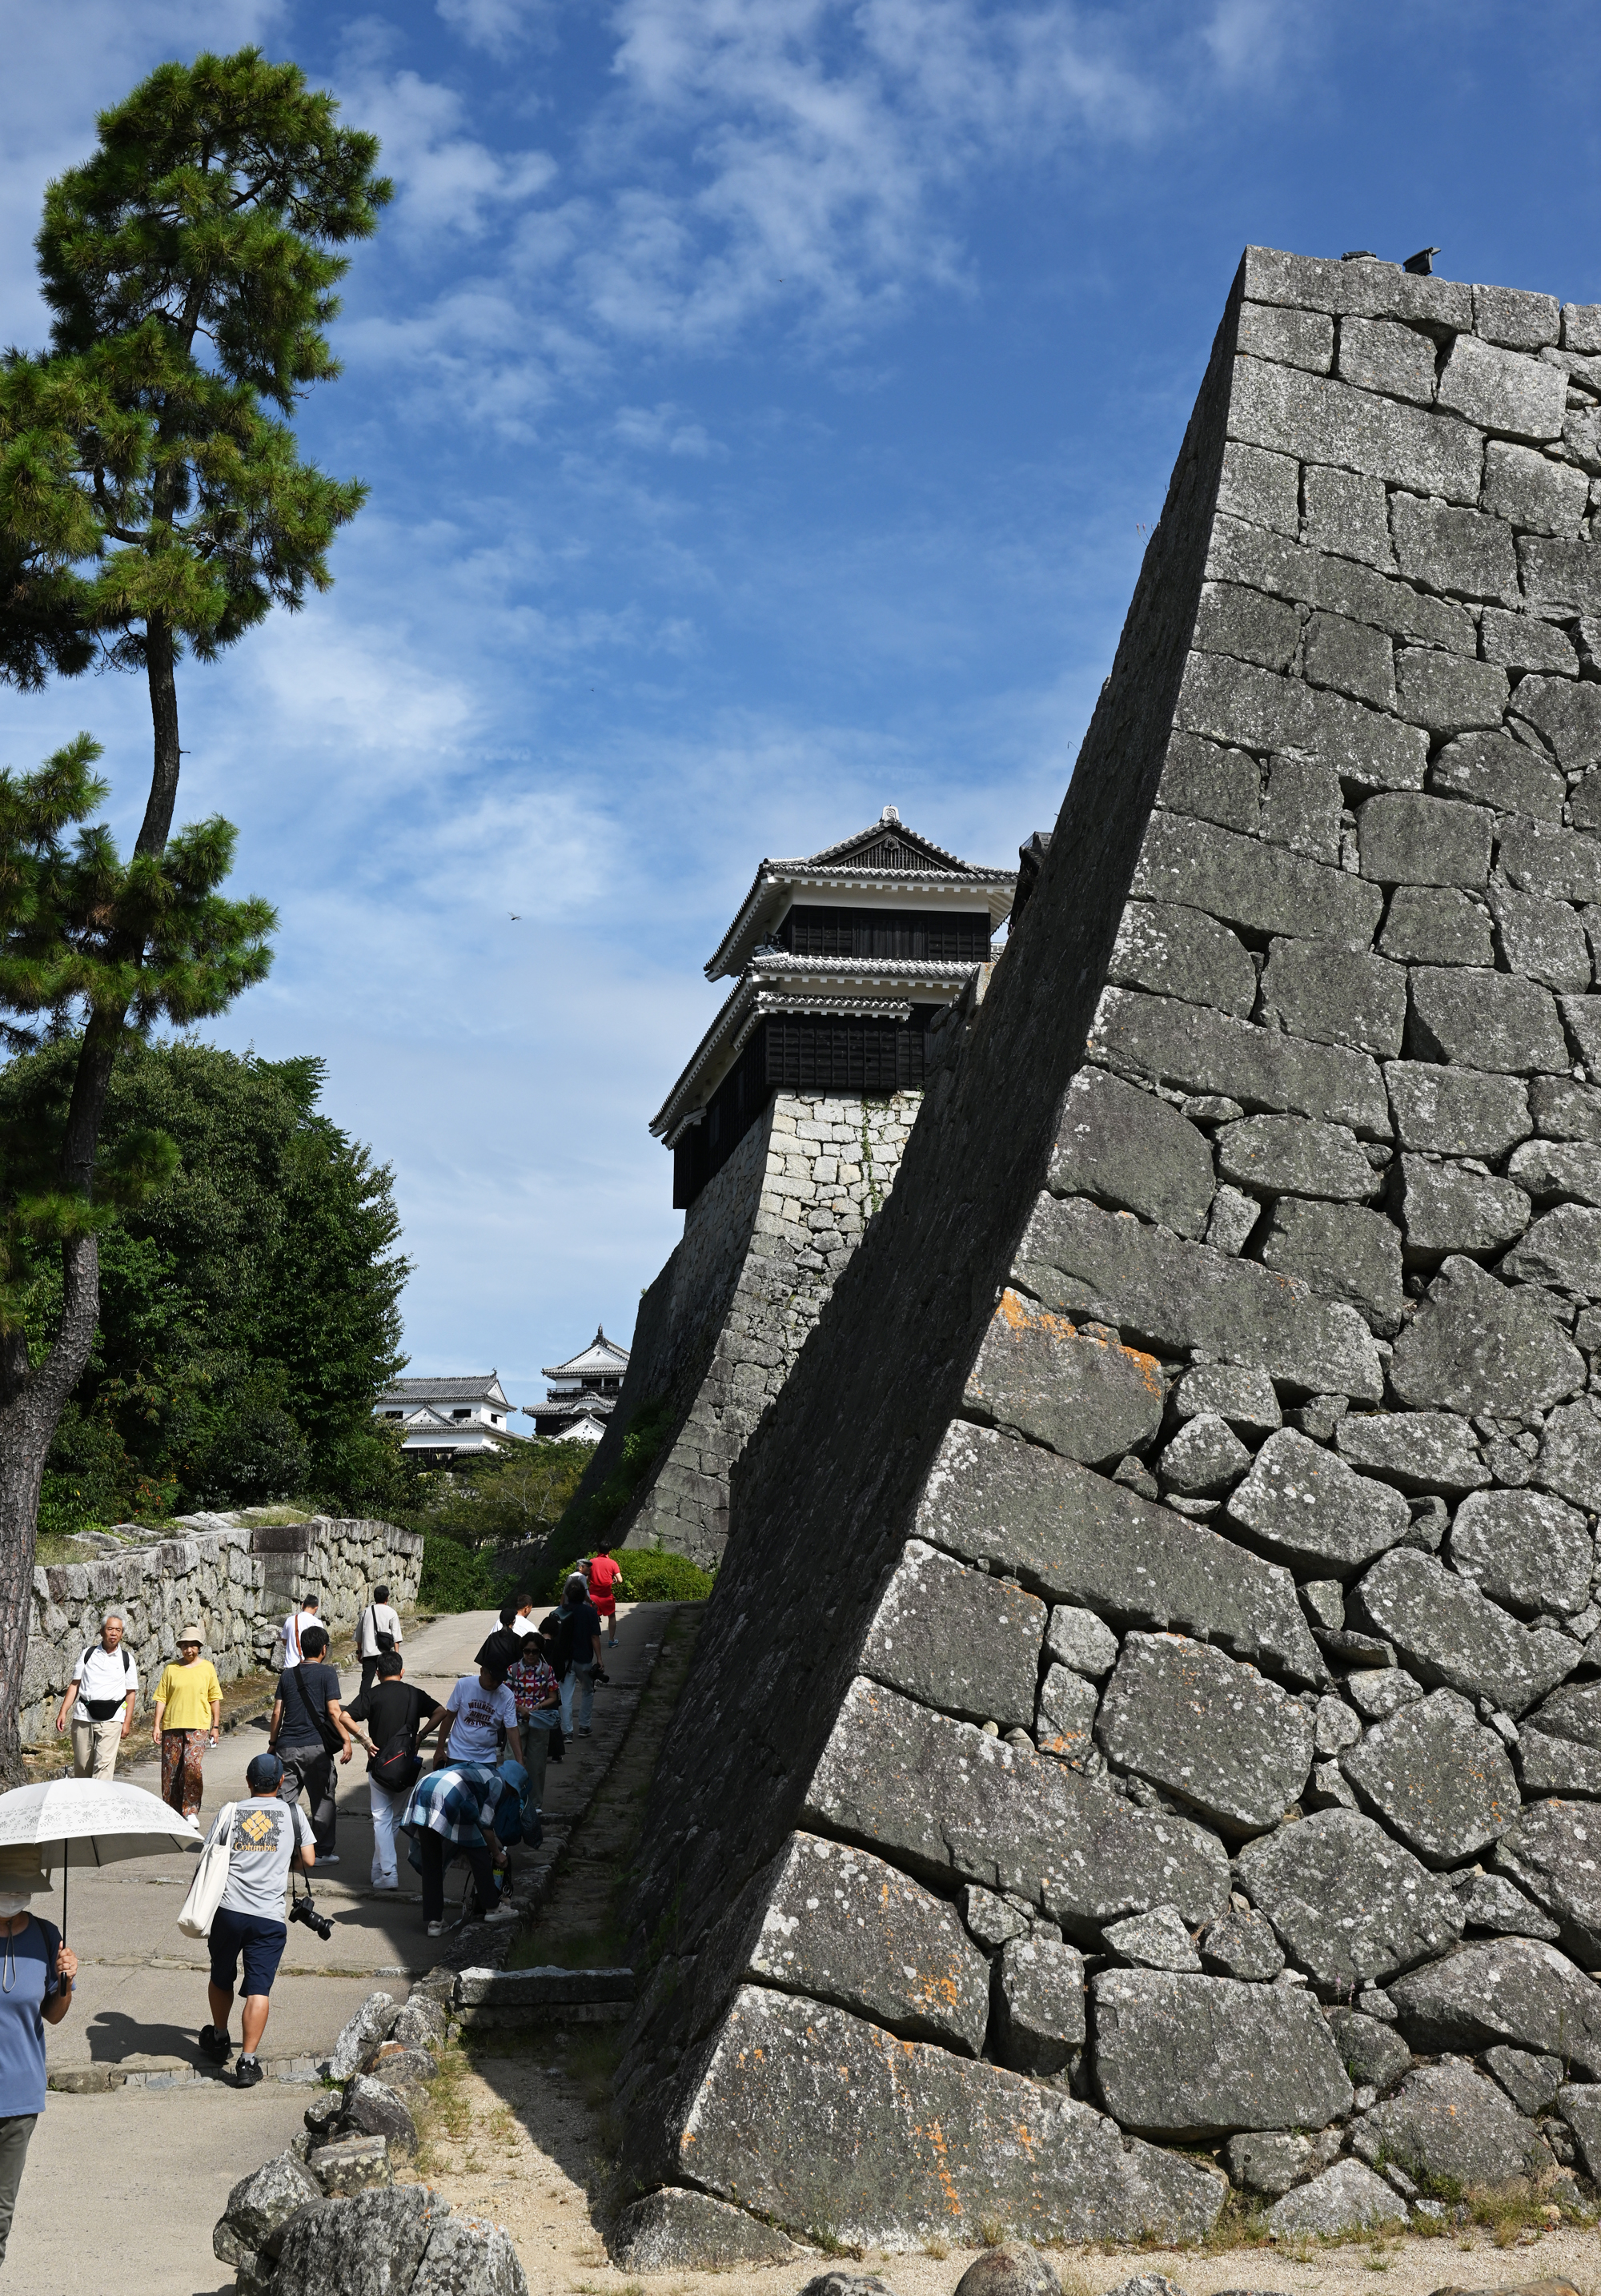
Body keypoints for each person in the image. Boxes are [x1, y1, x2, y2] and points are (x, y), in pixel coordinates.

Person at [198, 1751, 316, 2086]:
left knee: (222, 1976)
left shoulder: (230, 1812)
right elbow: (308, 1858)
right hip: (268, 1917)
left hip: (229, 1911)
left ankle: (220, 2037)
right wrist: (279, 1862)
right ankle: (247, 2063)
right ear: (281, 1782)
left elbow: (210, 1855)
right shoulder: (293, 1813)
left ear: (248, 1782)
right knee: (259, 1989)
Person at [0, 1845, 78, 2266]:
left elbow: (53, 2015)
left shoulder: (47, 1936)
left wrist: (65, 1980)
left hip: (20, 2099)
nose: (12, 1894)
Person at [400, 1760, 522, 1938]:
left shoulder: (484, 1770)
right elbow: (486, 1826)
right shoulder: (498, 1783)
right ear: (511, 1786)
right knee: (478, 1848)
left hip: (424, 1787)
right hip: (450, 1793)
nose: (511, 1795)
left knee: (432, 1860)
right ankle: (492, 1908)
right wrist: (496, 1854)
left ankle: (435, 1922)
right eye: (514, 1792)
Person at [346, 1652, 434, 1889]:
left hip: (380, 1765)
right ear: (402, 1672)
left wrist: (364, 1739)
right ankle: (378, 1870)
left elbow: (345, 1716)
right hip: (406, 1767)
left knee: (381, 1820)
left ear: (378, 1673)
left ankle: (388, 1873)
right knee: (392, 1820)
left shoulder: (372, 1695)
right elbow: (442, 1713)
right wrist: (421, 1736)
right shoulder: (414, 1693)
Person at [267, 1624, 355, 1862]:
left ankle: (276, 1850)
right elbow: (334, 1710)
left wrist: (273, 1742)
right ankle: (323, 1852)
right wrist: (346, 1739)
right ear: (324, 1649)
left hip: (286, 1747)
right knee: (323, 1799)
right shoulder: (327, 1674)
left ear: (301, 1648)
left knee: (282, 1801)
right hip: (317, 1749)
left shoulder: (287, 1674)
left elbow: (277, 1713)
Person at [54, 1612, 138, 1779]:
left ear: (122, 1634)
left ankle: (101, 1803)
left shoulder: (127, 1659)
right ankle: (84, 1802)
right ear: (102, 1631)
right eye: (110, 1629)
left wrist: (127, 1721)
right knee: (82, 1767)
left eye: (118, 1630)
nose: (113, 1633)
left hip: (113, 1718)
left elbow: (130, 1693)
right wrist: (63, 1711)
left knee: (103, 1768)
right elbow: (75, 1685)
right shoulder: (88, 1654)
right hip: (84, 1716)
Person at [152, 1627, 223, 1820]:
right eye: (184, 1646)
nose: (188, 1649)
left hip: (198, 1725)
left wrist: (215, 1726)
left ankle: (190, 1810)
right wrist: (156, 1725)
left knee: (192, 1767)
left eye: (192, 1645)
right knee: (171, 1770)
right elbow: (161, 1698)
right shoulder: (171, 1669)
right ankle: (171, 1811)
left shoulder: (207, 1668)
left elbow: (214, 1698)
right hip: (172, 1725)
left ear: (199, 1647)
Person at [504, 1632, 560, 1811]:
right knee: (512, 1762)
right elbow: (504, 1696)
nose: (530, 1655)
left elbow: (553, 1696)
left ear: (539, 1652)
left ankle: (535, 1804)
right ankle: (511, 1800)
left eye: (534, 1651)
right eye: (527, 1651)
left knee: (537, 1765)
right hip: (516, 1722)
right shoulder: (512, 1670)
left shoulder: (546, 1670)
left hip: (538, 1722)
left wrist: (539, 1707)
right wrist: (520, 1707)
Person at [555, 1574, 603, 1737]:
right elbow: (595, 1637)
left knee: (566, 1696)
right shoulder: (589, 1612)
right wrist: (600, 1659)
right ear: (583, 1595)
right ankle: (584, 1726)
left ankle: (567, 1732)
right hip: (584, 1658)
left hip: (565, 1661)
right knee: (588, 1691)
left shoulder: (559, 1613)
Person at [355, 1584, 403, 1696]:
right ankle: (386, 1701)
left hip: (369, 1652)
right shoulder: (391, 1612)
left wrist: (359, 1651)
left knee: (366, 1680)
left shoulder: (366, 1612)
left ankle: (363, 1705)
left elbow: (359, 1635)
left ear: (374, 1597)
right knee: (387, 1680)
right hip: (385, 1653)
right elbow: (396, 1637)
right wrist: (396, 1655)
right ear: (387, 1598)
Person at [587, 1543, 621, 1650]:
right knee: (611, 1617)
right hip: (606, 1596)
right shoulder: (612, 1563)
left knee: (592, 1619)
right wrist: (613, 1582)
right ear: (609, 1551)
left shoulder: (591, 1562)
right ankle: (611, 1640)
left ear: (598, 1550)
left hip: (592, 1596)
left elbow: (587, 1578)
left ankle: (591, 1640)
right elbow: (620, 1580)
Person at [278, 1591, 320, 1673]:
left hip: (291, 1665)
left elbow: (284, 1642)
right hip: (310, 1666)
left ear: (302, 1605)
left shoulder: (290, 1620)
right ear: (316, 1608)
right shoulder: (317, 1623)